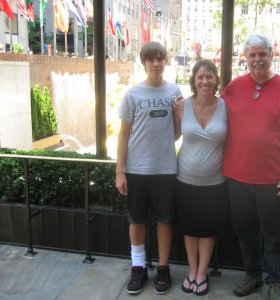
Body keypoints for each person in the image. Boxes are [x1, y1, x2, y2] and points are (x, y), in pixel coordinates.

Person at [220, 34, 280, 300]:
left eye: (263, 54)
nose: (257, 59)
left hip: (274, 179)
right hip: (237, 176)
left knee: (274, 234)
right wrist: (182, 108)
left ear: (272, 56)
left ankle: (277, 280)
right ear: (245, 58)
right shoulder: (234, 86)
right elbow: (210, 110)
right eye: (252, 55)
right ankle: (253, 275)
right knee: (245, 231)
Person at [115, 41, 182, 295]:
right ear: (144, 64)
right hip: (136, 169)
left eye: (160, 59)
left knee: (165, 220)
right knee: (137, 220)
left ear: (165, 62)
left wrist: (177, 118)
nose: (156, 64)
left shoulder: (174, 92)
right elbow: (123, 134)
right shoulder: (133, 94)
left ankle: (163, 268)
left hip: (166, 168)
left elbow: (176, 134)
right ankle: (138, 266)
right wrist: (120, 171)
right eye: (150, 60)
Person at [173, 59, 229, 296]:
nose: (205, 81)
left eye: (209, 77)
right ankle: (192, 270)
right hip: (184, 178)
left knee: (207, 229)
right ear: (194, 81)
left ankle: (202, 273)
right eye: (200, 77)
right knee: (189, 228)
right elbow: (173, 134)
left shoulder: (226, 106)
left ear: (216, 80)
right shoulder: (182, 106)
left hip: (215, 182)